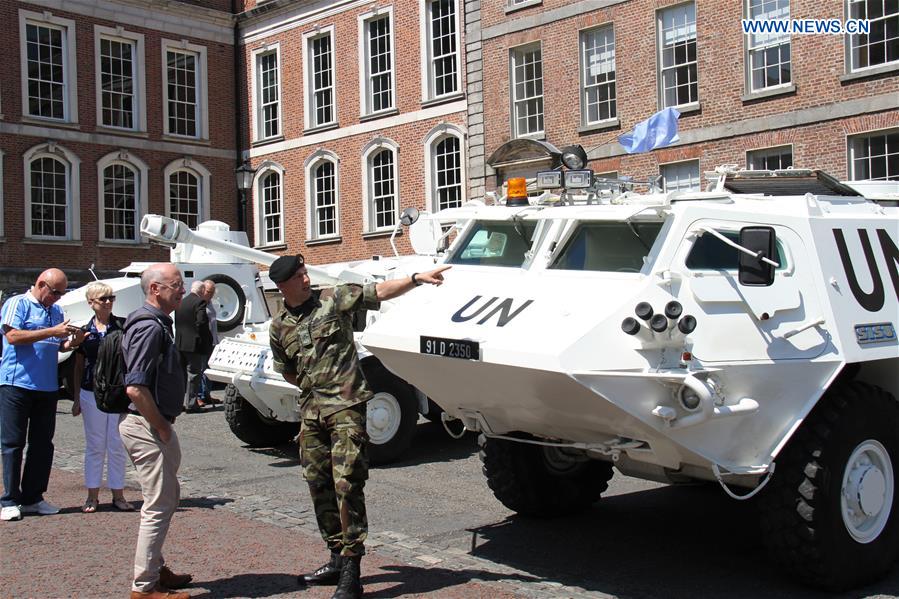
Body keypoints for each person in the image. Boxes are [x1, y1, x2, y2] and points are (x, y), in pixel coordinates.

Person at [268, 254, 449, 599]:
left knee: (347, 484)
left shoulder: (335, 301)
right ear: (283, 285)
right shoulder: (279, 326)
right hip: (311, 414)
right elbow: (287, 370)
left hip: (347, 410)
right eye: (300, 276)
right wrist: (315, 386)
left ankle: (352, 569)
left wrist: (415, 278)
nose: (307, 279)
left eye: (306, 272)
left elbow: (378, 291)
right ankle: (336, 556)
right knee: (317, 483)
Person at [120, 263, 193, 599]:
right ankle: (145, 586)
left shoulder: (157, 323)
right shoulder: (150, 327)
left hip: (153, 424)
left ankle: (154, 569)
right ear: (155, 289)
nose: (182, 290)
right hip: (147, 425)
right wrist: (162, 427)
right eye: (176, 284)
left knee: (165, 498)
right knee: (159, 504)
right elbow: (135, 388)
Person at [0, 269, 85, 522]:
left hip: (47, 386)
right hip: (16, 383)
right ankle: (9, 499)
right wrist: (51, 332)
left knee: (42, 444)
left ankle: (33, 497)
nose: (57, 298)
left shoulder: (56, 311)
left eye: (62, 294)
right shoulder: (18, 303)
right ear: (41, 284)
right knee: (12, 444)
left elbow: (59, 346)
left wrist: (74, 341)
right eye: (55, 292)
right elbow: (12, 336)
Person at [71, 282, 134, 513]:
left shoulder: (123, 326)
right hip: (90, 391)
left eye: (111, 298)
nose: (108, 302)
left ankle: (118, 494)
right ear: (91, 303)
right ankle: (92, 495)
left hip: (117, 392)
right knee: (95, 445)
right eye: (103, 299)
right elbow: (78, 365)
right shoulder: (84, 332)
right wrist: (77, 397)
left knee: (117, 443)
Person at [174, 281, 212, 413]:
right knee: (194, 374)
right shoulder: (200, 302)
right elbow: (201, 322)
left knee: (181, 375)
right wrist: (206, 338)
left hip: (180, 343)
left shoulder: (181, 302)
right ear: (201, 290)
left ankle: (178, 403)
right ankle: (191, 404)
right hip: (193, 345)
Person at [200, 280, 219, 405]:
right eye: (208, 291)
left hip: (213, 340)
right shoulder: (199, 304)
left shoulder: (210, 303)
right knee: (201, 369)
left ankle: (207, 394)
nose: (210, 294)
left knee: (210, 368)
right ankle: (200, 395)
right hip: (203, 342)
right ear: (202, 290)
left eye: (212, 292)